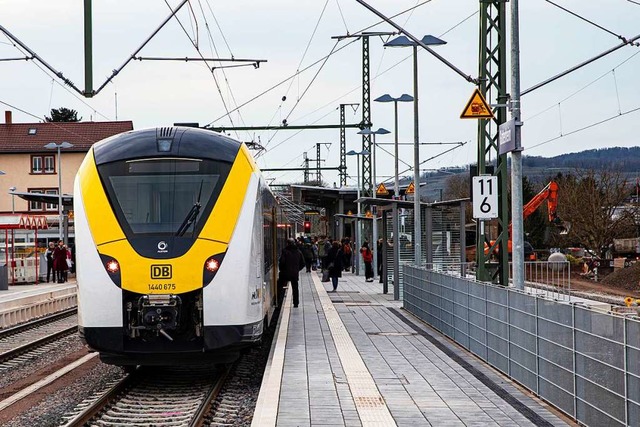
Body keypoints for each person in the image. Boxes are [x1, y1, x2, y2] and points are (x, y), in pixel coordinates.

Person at [278, 238, 305, 307]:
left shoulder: (285, 251)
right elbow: (303, 263)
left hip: (285, 273)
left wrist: (282, 269)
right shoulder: (298, 252)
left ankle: (279, 301)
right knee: (295, 288)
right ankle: (296, 303)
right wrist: (297, 269)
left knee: (280, 286)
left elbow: (282, 262)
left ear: (287, 243)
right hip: (294, 274)